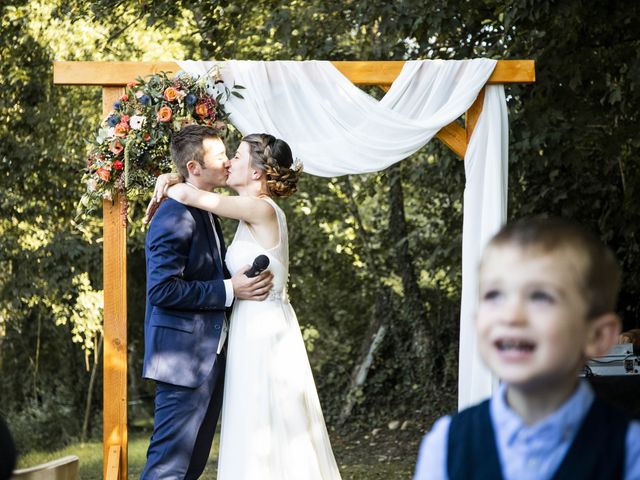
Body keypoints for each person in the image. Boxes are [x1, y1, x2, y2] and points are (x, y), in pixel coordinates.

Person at [148, 133, 342, 479]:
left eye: (234, 156)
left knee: (266, 430)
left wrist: (170, 181)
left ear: (256, 173)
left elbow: (192, 193)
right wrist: (178, 176)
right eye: (224, 156)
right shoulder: (244, 211)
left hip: (261, 337)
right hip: (244, 336)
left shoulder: (257, 208)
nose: (228, 162)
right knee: (254, 432)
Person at [413, 217, 640, 480]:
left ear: (598, 336)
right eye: (494, 295)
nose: (510, 316)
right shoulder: (445, 445)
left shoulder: (630, 450)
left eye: (540, 296)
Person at [141, 125, 273, 479]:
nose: (229, 162)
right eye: (219, 157)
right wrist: (232, 290)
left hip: (210, 355)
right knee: (168, 468)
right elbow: (162, 290)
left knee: (192, 466)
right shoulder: (173, 215)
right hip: (183, 360)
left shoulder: (207, 208)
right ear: (195, 168)